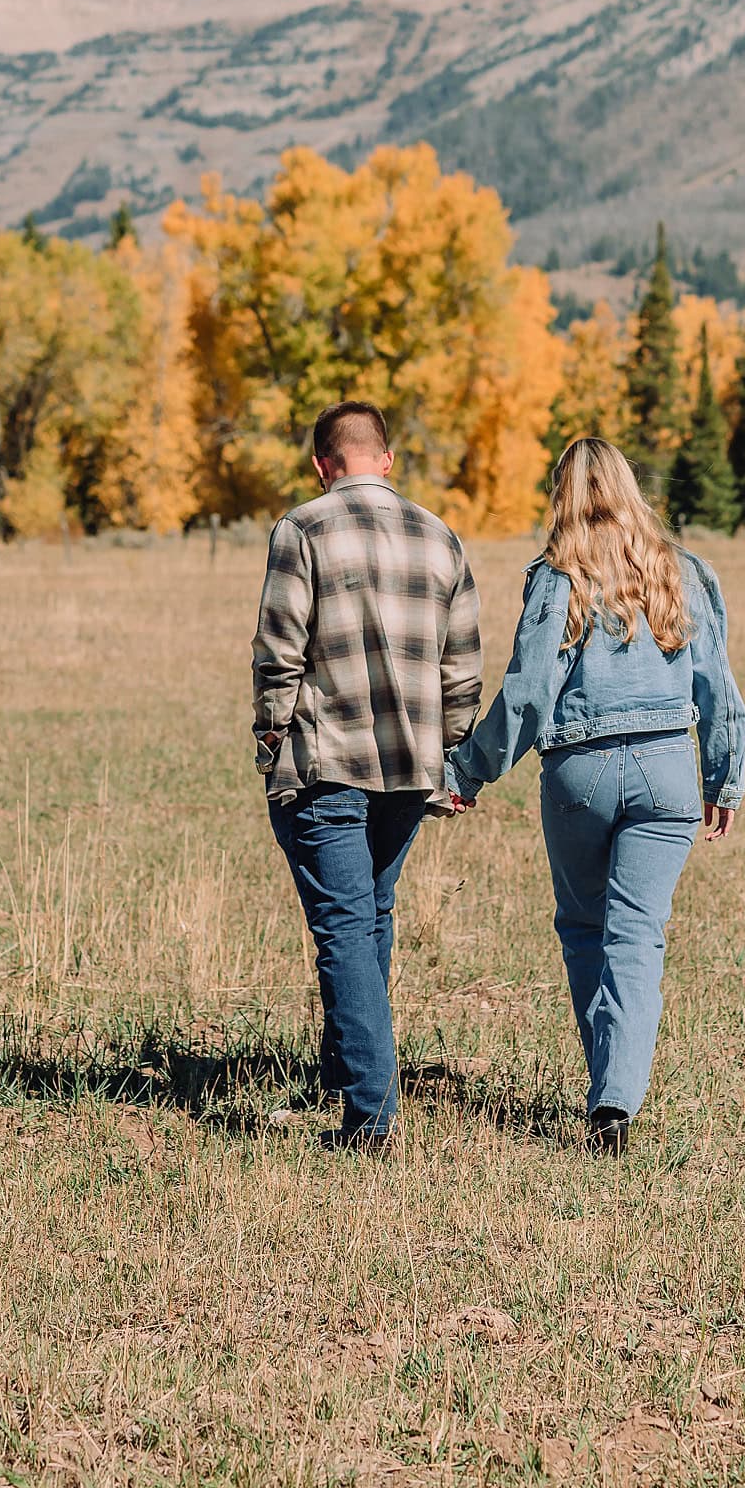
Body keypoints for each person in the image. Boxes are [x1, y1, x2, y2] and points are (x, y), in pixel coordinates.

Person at [447, 436, 745, 1154]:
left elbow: (527, 692)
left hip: (579, 771)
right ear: (628, 487)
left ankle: (606, 1086)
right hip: (670, 768)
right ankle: (616, 1098)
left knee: (585, 930)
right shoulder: (685, 572)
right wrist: (725, 773)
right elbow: (719, 684)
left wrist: (468, 772)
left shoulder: (557, 579)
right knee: (637, 934)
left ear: (563, 496)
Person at [252, 400, 482, 1150]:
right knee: (372, 913)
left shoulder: (303, 527)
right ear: (385, 459)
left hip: (329, 758)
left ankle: (371, 1115)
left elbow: (280, 647)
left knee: (346, 928)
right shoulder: (440, 536)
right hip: (412, 766)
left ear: (323, 463)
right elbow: (463, 665)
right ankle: (346, 1067)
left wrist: (270, 736)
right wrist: (452, 752)